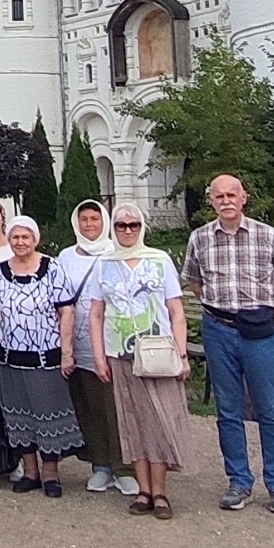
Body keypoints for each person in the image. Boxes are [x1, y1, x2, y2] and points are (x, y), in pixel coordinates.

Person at [183, 173, 274, 515]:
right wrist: (223, 312)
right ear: (211, 201)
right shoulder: (200, 239)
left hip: (259, 330)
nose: (226, 201)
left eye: (232, 194)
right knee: (228, 410)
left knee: (270, 409)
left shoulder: (268, 236)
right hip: (218, 330)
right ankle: (238, 481)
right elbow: (195, 282)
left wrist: (266, 312)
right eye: (219, 196)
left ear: (244, 197)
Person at [92, 204, 195, 519]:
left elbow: (175, 310)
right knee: (132, 421)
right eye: (121, 225)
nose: (126, 230)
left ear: (142, 227)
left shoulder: (159, 260)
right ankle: (143, 489)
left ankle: (161, 491)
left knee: (159, 421)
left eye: (132, 225)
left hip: (158, 353)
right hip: (120, 353)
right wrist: (99, 356)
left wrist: (182, 353)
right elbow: (96, 313)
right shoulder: (104, 263)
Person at [0, 215, 83, 498]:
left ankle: (51, 473)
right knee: (18, 415)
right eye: (15, 237)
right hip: (9, 358)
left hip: (45, 357)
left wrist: (66, 353)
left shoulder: (52, 268)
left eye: (25, 237)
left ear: (35, 239)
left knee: (46, 413)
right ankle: (30, 471)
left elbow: (66, 311)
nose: (20, 242)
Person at [57, 198, 136, 496]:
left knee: (115, 407)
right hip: (77, 342)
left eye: (95, 219)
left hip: (111, 341)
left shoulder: (116, 254)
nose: (89, 225)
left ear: (104, 222)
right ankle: (100, 464)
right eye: (84, 219)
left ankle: (124, 467)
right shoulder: (65, 256)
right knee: (89, 407)